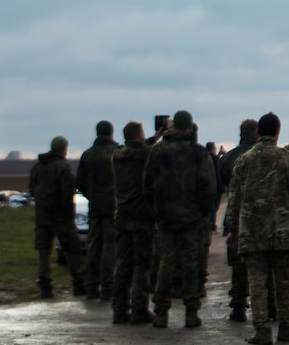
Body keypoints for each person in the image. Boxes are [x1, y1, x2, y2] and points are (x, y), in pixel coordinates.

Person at [227, 113, 289, 345]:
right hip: (282, 231)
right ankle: (287, 325)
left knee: (256, 280)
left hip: (252, 232)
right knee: (283, 280)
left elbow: (234, 199)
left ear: (257, 133)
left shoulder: (243, 161)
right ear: (277, 132)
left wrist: (233, 230)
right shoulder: (288, 159)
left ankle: (262, 329)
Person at [146, 110, 216, 329]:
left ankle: (160, 313)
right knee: (191, 264)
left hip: (165, 217)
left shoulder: (157, 152)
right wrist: (203, 211)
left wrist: (156, 209)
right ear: (189, 128)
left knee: (165, 263)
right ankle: (191, 312)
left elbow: (147, 184)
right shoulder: (198, 152)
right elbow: (208, 186)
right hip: (192, 218)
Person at [26, 136, 85, 299]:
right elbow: (68, 193)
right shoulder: (63, 167)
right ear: (64, 149)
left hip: (42, 217)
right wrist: (68, 214)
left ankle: (45, 287)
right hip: (61, 217)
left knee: (44, 253)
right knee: (73, 250)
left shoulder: (37, 167)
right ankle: (79, 284)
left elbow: (32, 190)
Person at [108, 122, 155, 324]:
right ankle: (139, 308)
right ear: (138, 135)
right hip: (141, 216)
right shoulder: (144, 154)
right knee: (142, 264)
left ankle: (119, 308)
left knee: (123, 263)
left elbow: (141, 148)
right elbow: (149, 152)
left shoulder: (118, 155)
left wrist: (153, 138)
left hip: (122, 214)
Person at [217, 119, 259, 321]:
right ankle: (270, 305)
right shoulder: (261, 156)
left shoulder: (228, 158)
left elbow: (223, 183)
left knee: (238, 265)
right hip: (261, 216)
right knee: (263, 263)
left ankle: (238, 305)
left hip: (236, 215)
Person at [77, 121, 119, 299]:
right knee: (110, 246)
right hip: (114, 206)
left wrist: (92, 195)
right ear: (111, 133)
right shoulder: (116, 153)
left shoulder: (88, 155)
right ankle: (108, 286)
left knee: (94, 246)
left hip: (95, 206)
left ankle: (91, 285)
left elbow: (79, 182)